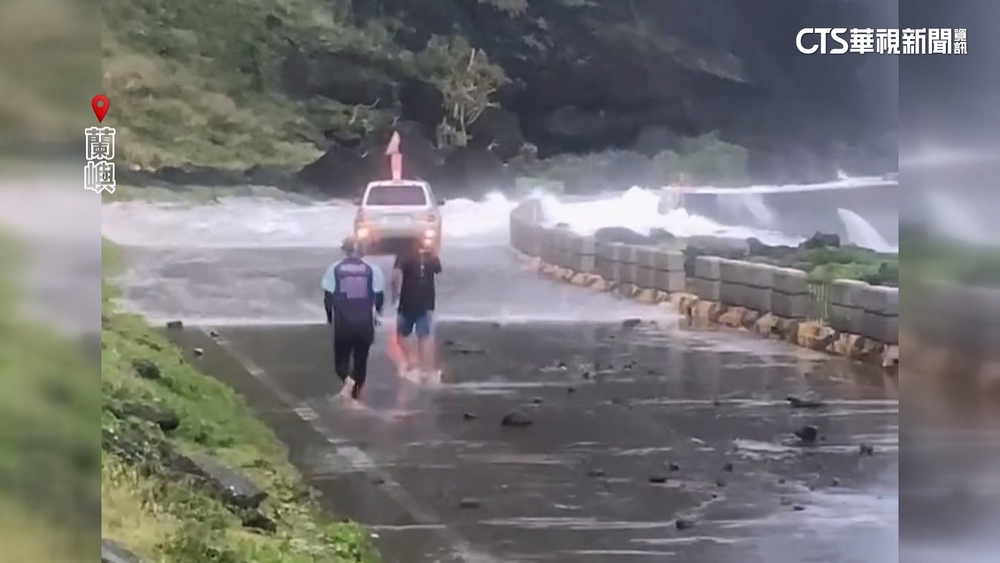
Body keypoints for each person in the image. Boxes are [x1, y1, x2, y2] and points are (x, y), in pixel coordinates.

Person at [321, 236, 385, 400]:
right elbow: (379, 297)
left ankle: (346, 381)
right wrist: (377, 314)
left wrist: (330, 317)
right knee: (361, 359)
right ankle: (355, 395)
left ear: (345, 250)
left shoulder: (334, 269)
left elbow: (328, 297)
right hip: (365, 323)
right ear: (363, 251)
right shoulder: (373, 270)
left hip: (343, 322)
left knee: (341, 360)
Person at [391, 238, 442, 373]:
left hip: (407, 303)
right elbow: (438, 270)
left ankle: (412, 360)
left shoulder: (403, 257)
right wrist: (434, 253)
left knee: (400, 336)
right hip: (426, 304)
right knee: (423, 337)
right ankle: (424, 370)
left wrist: (394, 295)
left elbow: (395, 275)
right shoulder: (430, 258)